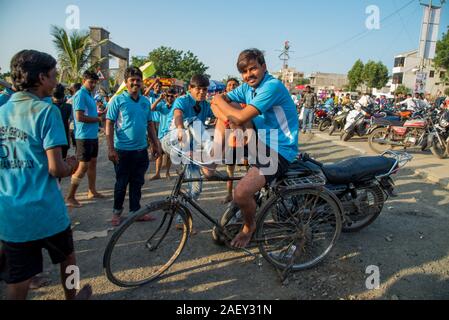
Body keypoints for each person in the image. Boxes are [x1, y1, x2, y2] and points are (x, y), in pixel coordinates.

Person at [0, 49, 91, 300]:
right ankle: (72, 296)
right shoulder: (45, 111)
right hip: (46, 210)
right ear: (41, 78)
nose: (56, 82)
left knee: (19, 278)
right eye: (53, 76)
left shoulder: (2, 111)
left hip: (10, 213)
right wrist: (71, 164)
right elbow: (55, 168)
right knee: (68, 258)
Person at [211, 48, 299, 248]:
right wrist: (228, 116)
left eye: (253, 69)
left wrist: (231, 114)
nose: (248, 75)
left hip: (280, 149)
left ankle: (249, 228)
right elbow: (216, 104)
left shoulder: (272, 86)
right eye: (244, 71)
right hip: (259, 142)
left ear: (264, 67)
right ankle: (214, 159)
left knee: (241, 192)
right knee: (229, 110)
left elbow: (239, 116)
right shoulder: (247, 88)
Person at [106, 66, 161, 226]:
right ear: (126, 82)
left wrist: (155, 144)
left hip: (141, 150)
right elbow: (108, 124)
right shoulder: (118, 100)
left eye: (138, 80)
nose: (136, 83)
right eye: (132, 80)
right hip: (122, 151)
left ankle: (135, 211)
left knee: (137, 183)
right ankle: (117, 212)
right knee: (121, 183)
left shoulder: (145, 102)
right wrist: (110, 148)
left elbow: (150, 124)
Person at [65, 70, 105, 208]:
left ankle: (92, 190)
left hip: (92, 136)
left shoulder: (89, 95)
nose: (93, 84)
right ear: (84, 81)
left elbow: (87, 113)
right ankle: (70, 196)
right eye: (91, 82)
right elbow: (79, 117)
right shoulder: (80, 95)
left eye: (95, 82)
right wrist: (97, 119)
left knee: (92, 164)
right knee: (82, 166)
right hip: (83, 136)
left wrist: (98, 114)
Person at [149, 87, 177, 181]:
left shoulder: (177, 107)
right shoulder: (162, 105)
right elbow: (151, 109)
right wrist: (159, 99)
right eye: (168, 96)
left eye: (172, 96)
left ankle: (167, 173)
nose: (169, 98)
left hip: (171, 134)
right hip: (161, 134)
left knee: (169, 155)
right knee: (159, 153)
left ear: (174, 97)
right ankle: (157, 173)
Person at [222, 78, 242, 204]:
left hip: (244, 138)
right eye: (230, 85)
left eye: (235, 85)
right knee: (230, 169)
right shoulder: (224, 103)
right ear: (226, 88)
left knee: (250, 168)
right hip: (230, 138)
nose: (232, 86)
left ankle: (249, 195)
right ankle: (229, 194)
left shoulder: (244, 102)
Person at [52, 84, 72, 161]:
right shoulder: (68, 107)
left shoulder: (48, 107)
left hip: (52, 140)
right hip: (64, 139)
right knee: (62, 161)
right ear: (63, 95)